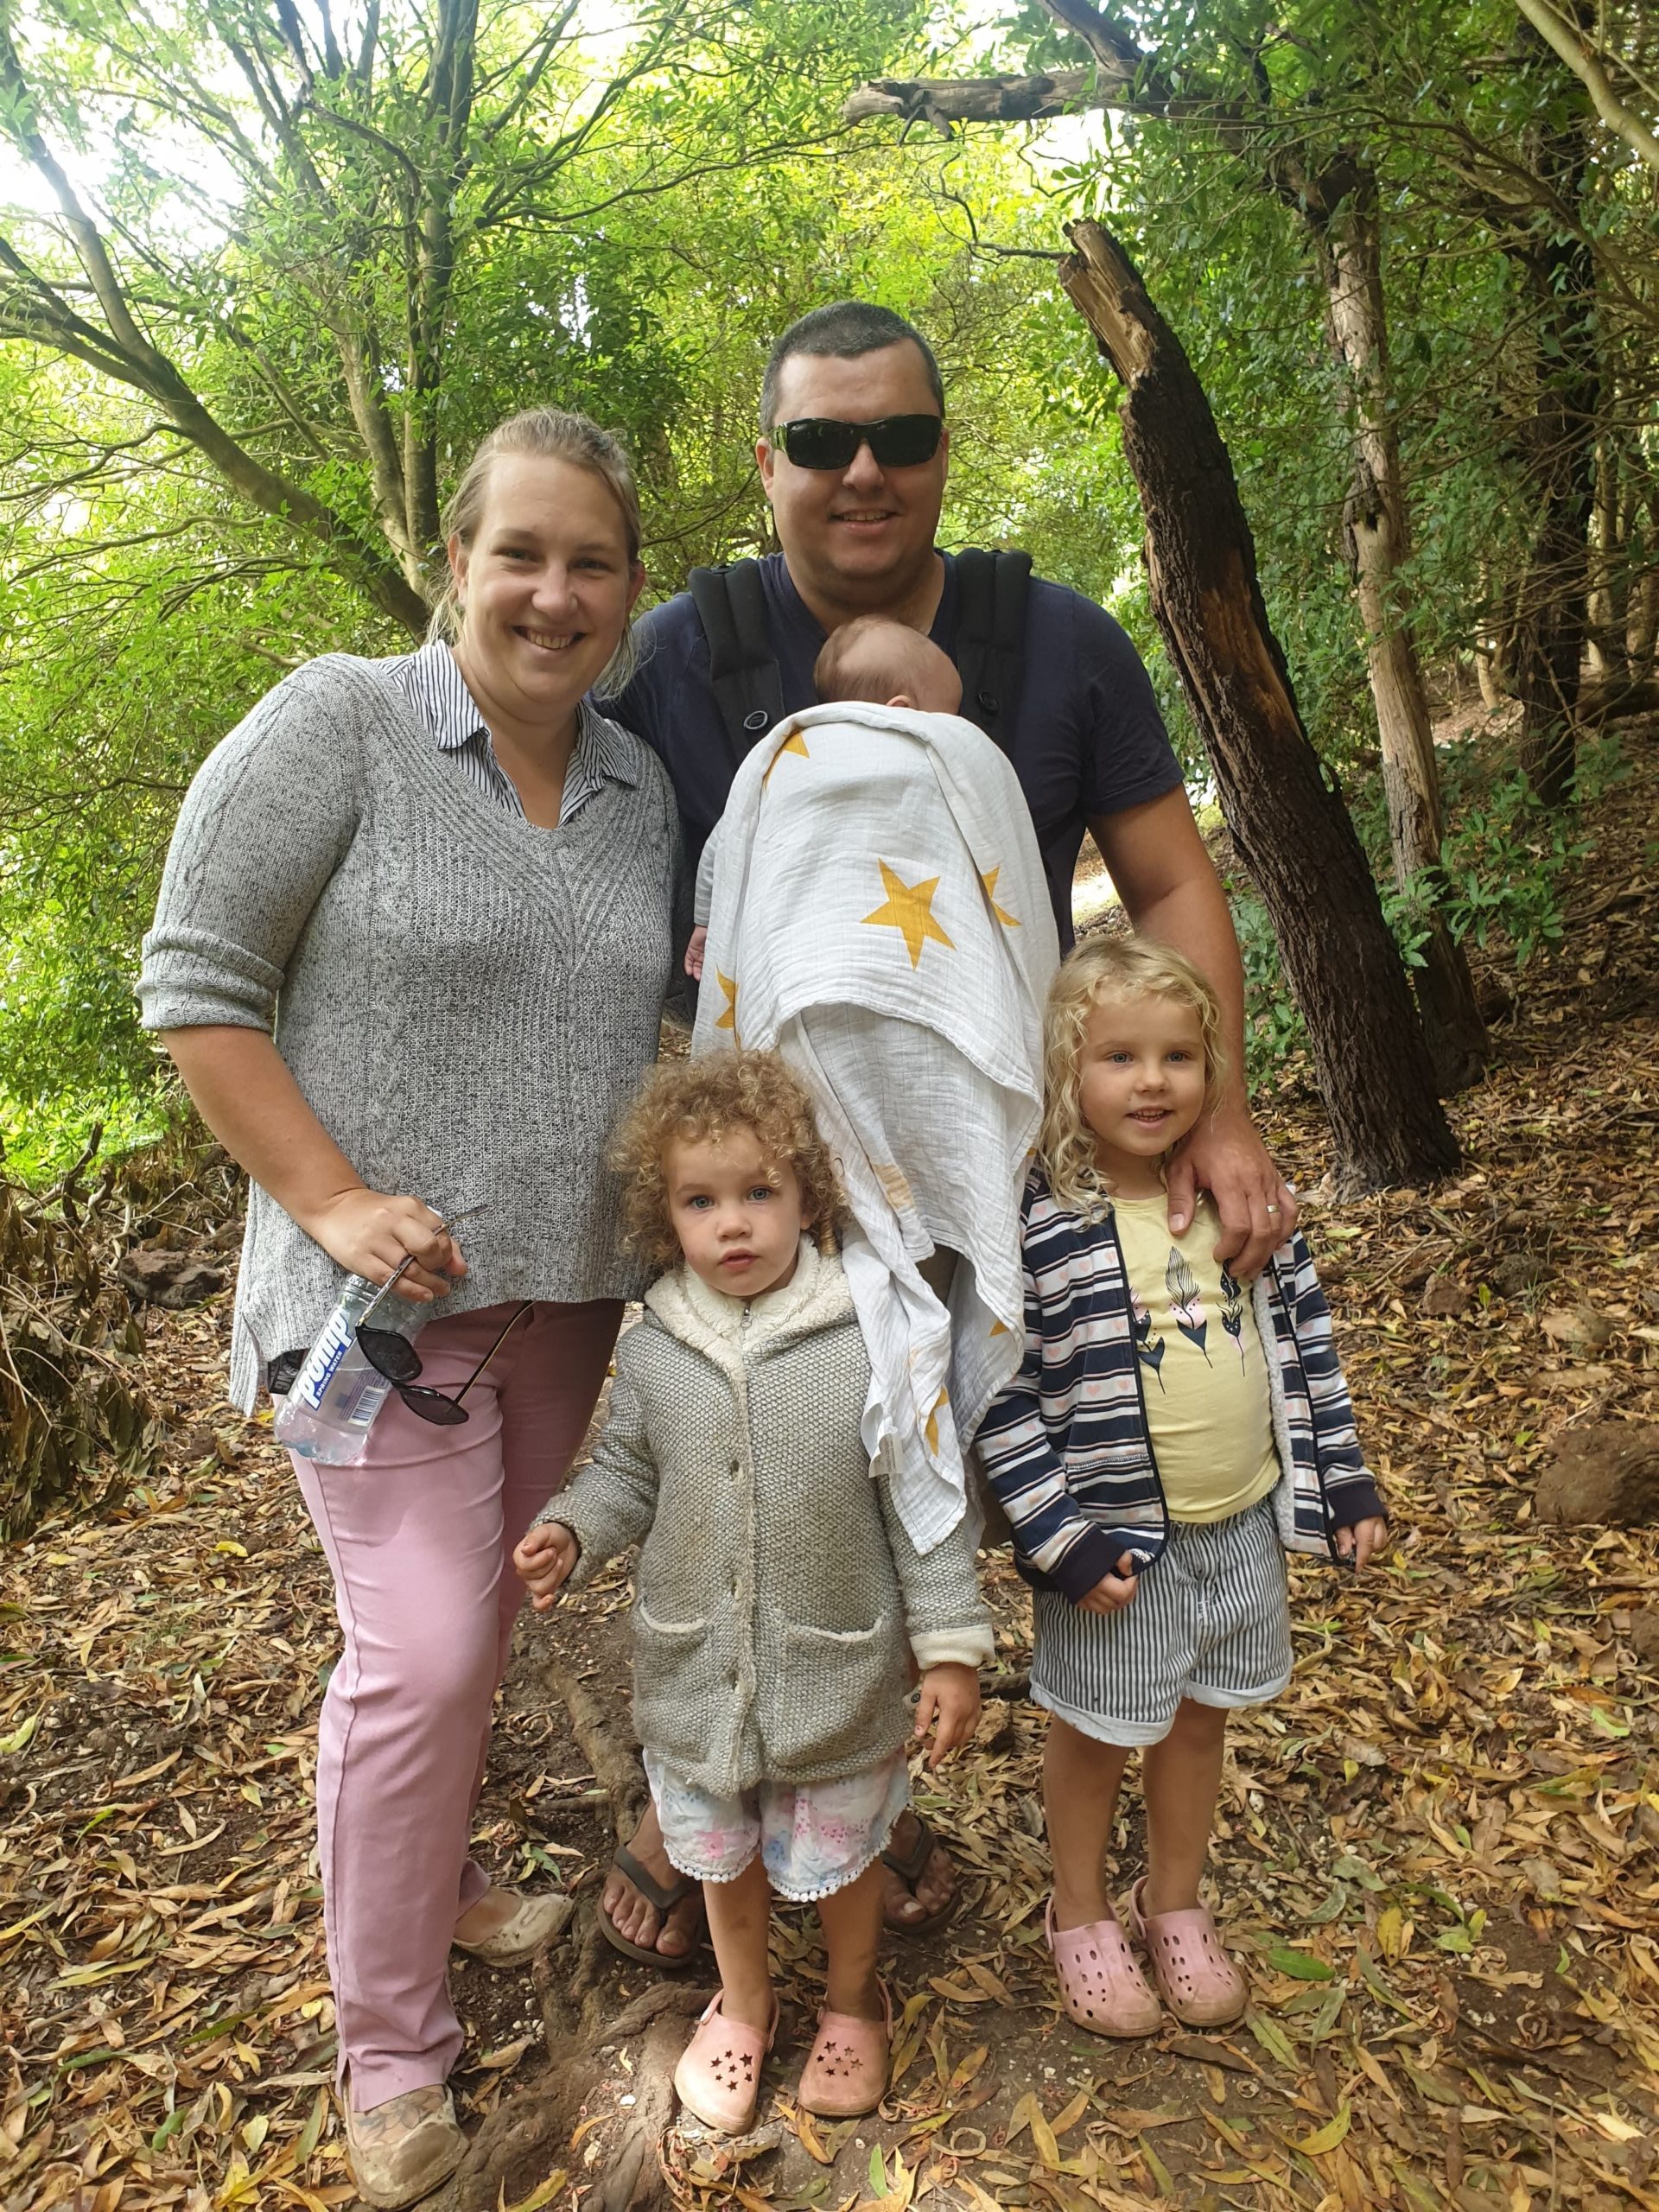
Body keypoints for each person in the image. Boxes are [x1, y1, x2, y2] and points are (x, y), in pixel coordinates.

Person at [601, 296, 1297, 1963]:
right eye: (824, 442)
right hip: (775, 1173)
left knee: (995, 1466)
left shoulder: (1056, 641)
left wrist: (1228, 1113)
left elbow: (1171, 876)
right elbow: (576, 872)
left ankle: (924, 1800)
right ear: (765, 461)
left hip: (1008, 1154)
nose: (863, 472)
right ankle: (699, 1787)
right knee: (751, 1468)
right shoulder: (683, 657)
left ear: (940, 452)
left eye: (899, 439)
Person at [137, 409, 680, 2209]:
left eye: (587, 560)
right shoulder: (336, 725)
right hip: (375, 1322)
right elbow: (197, 986)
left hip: (572, 1305)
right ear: (455, 561)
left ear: (626, 589)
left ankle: (431, 1871)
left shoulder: (637, 783)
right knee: (426, 1651)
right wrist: (333, 1195)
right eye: (517, 552)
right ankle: (390, 2049)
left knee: (488, 1627)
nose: (551, 590)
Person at [513, 1053, 991, 2133]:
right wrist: (573, 1526)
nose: (733, 1223)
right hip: (697, 1676)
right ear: (665, 1213)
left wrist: (953, 1645)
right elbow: (629, 1471)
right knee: (718, 1853)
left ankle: (854, 2001)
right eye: (701, 1200)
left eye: (758, 1193)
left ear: (808, 1196)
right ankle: (745, 2002)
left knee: (842, 1853)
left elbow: (921, 1497)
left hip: (837, 1670)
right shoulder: (658, 1347)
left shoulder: (866, 1336)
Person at [976, 937, 1389, 2036]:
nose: (1152, 1081)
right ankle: (1080, 1915)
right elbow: (999, 1391)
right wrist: (1054, 1532)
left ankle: (1175, 1902)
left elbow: (1306, 1347)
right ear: (1069, 1071)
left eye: (1177, 1056)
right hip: (1114, 1545)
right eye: (1119, 1056)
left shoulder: (1238, 1198)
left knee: (1200, 1720)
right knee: (1097, 1729)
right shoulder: (1041, 1222)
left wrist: (1342, 1482)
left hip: (1240, 1524)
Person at [690, 612, 1058, 1563]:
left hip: (805, 1036)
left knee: (856, 1269)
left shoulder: (765, 776)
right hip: (927, 1029)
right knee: (943, 1254)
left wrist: (714, 938)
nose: (953, 729)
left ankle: (901, 1521)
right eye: (943, 709)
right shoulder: (941, 749)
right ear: (903, 708)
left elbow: (722, 888)